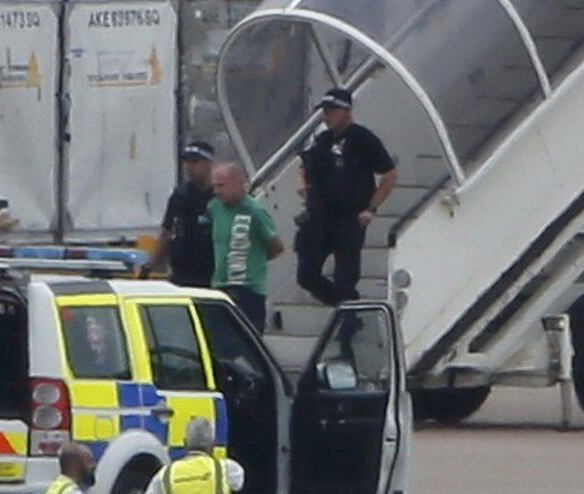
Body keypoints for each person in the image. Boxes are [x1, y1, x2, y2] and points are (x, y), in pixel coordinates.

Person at [297, 87, 397, 305]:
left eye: (332, 111)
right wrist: (303, 185)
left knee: (345, 278)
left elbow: (389, 174)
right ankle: (343, 306)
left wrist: (371, 208)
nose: (327, 116)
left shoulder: (363, 138)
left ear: (347, 111)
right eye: (325, 111)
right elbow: (305, 165)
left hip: (350, 217)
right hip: (321, 216)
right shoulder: (323, 140)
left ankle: (348, 320)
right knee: (306, 274)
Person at [209, 163, 284, 333]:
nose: (217, 191)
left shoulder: (255, 211)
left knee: (249, 338)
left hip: (249, 289)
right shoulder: (214, 208)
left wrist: (254, 260)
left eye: (221, 185)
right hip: (221, 286)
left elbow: (276, 246)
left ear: (238, 183)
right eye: (214, 186)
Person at [139, 141, 216, 287]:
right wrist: (148, 266)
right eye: (187, 162)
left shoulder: (220, 196)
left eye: (195, 162)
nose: (189, 167)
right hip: (182, 273)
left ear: (209, 163)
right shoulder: (180, 196)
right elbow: (166, 231)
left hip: (211, 274)